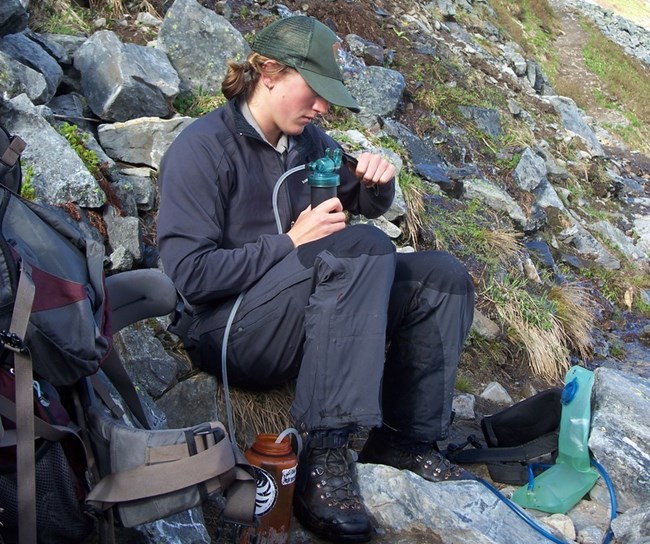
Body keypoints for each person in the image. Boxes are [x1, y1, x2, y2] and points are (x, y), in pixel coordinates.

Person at [157, 15, 475, 543]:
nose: (323, 107)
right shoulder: (201, 149)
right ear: (271, 72)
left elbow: (354, 195)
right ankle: (322, 452)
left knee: (439, 276)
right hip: (228, 329)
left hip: (302, 311)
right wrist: (289, 241)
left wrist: (377, 181)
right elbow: (191, 277)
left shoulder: (307, 142)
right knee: (364, 248)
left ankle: (406, 439)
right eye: (316, 92)